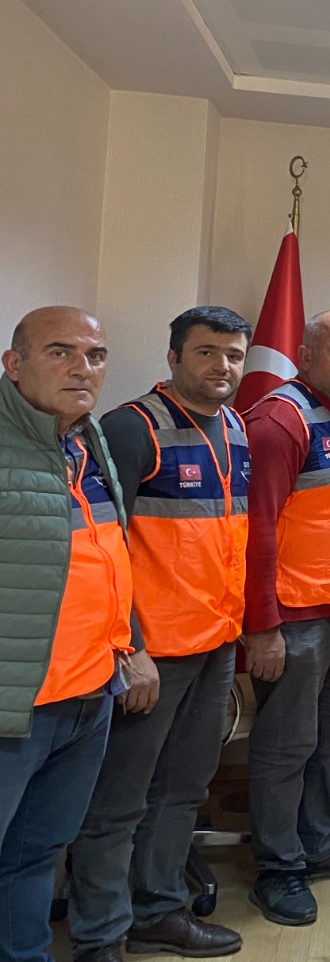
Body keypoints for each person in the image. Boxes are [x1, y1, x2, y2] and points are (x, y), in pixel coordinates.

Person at [68, 307, 253, 961]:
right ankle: (99, 936)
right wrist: (132, 648)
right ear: (173, 357)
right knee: (118, 802)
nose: (222, 366)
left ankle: (157, 910)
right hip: (152, 655)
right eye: (206, 352)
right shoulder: (130, 427)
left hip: (215, 643)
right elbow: (104, 546)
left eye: (234, 354)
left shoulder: (235, 426)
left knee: (183, 790)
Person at [0, 307, 145, 962]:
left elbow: (109, 555)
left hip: (88, 696)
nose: (82, 368)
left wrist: (129, 647)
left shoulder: (87, 442)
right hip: (16, 709)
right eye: (60, 352)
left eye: (95, 355)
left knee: (33, 856)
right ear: (14, 364)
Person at [241, 311, 330, 927]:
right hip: (297, 619)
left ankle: (320, 842)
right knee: (286, 746)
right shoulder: (280, 420)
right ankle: (277, 866)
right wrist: (263, 626)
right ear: (304, 354)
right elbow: (257, 531)